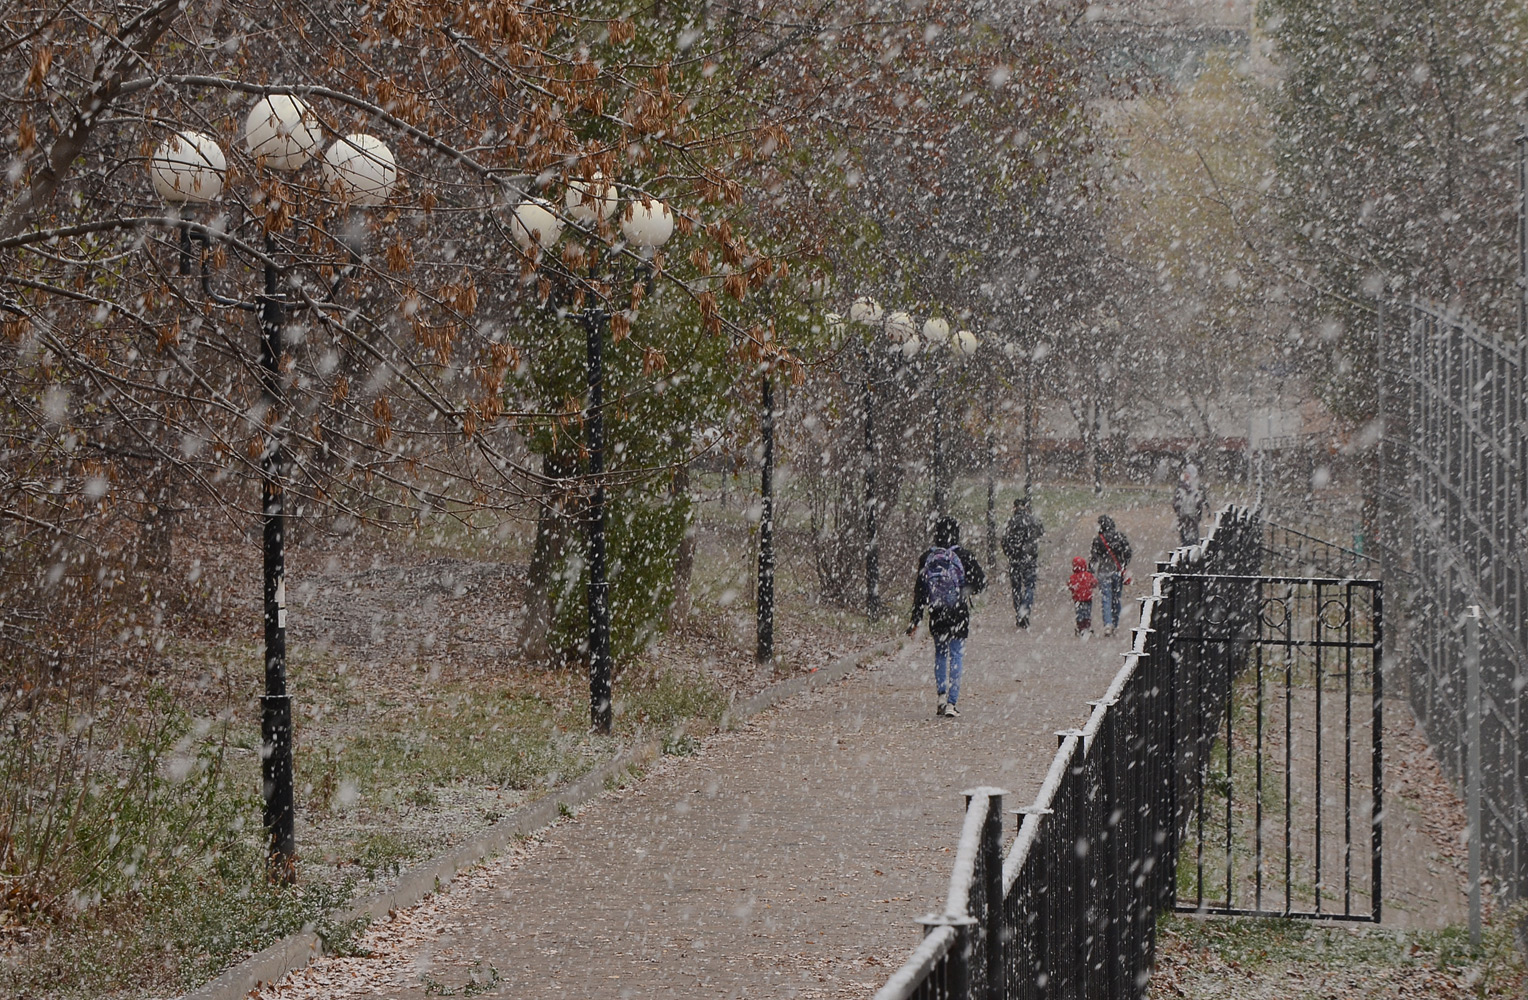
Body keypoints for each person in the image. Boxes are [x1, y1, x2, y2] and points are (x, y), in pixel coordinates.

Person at [906, 515, 986, 718]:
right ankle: (952, 702)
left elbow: (920, 592)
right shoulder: (965, 556)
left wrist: (915, 619)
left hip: (937, 613)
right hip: (958, 613)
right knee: (956, 654)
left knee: (941, 654)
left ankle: (941, 697)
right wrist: (963, 591)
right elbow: (981, 583)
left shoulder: (927, 558)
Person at [1000, 497, 1044, 629]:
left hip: (1015, 559)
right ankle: (1024, 611)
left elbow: (1004, 540)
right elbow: (1041, 531)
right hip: (1029, 558)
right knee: (1030, 586)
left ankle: (1019, 611)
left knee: (1016, 587)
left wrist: (1009, 552)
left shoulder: (1011, 522)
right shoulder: (1033, 520)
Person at [1090, 515, 1133, 637]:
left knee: (1106, 598)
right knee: (1116, 598)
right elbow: (1128, 552)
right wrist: (1124, 565)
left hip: (1103, 572)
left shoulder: (1098, 539)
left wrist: (1090, 571)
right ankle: (1115, 623)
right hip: (1117, 571)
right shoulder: (1120, 537)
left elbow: (1094, 558)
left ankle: (1107, 624)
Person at [1172, 463, 1209, 547]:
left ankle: (1189, 552)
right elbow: (1200, 503)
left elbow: (1176, 503)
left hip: (1188, 519)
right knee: (1189, 540)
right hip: (1188, 519)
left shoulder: (1183, 488)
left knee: (1189, 541)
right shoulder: (1193, 488)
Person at [1067, 556, 1096, 637]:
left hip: (1078, 599)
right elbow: (1094, 583)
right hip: (1088, 598)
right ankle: (1087, 626)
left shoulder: (1073, 577)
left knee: (1079, 613)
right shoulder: (1088, 575)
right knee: (1087, 612)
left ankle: (1081, 627)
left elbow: (1070, 585)